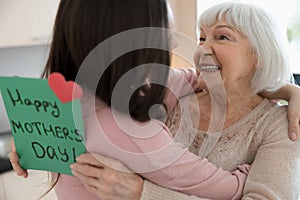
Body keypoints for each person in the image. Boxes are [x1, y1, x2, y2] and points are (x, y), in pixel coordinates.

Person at [9, 1, 300, 200]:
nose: (201, 49)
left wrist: (282, 89)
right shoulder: (151, 112)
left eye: (222, 37)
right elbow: (230, 188)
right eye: (200, 38)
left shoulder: (279, 127)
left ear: (261, 53)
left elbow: (192, 76)